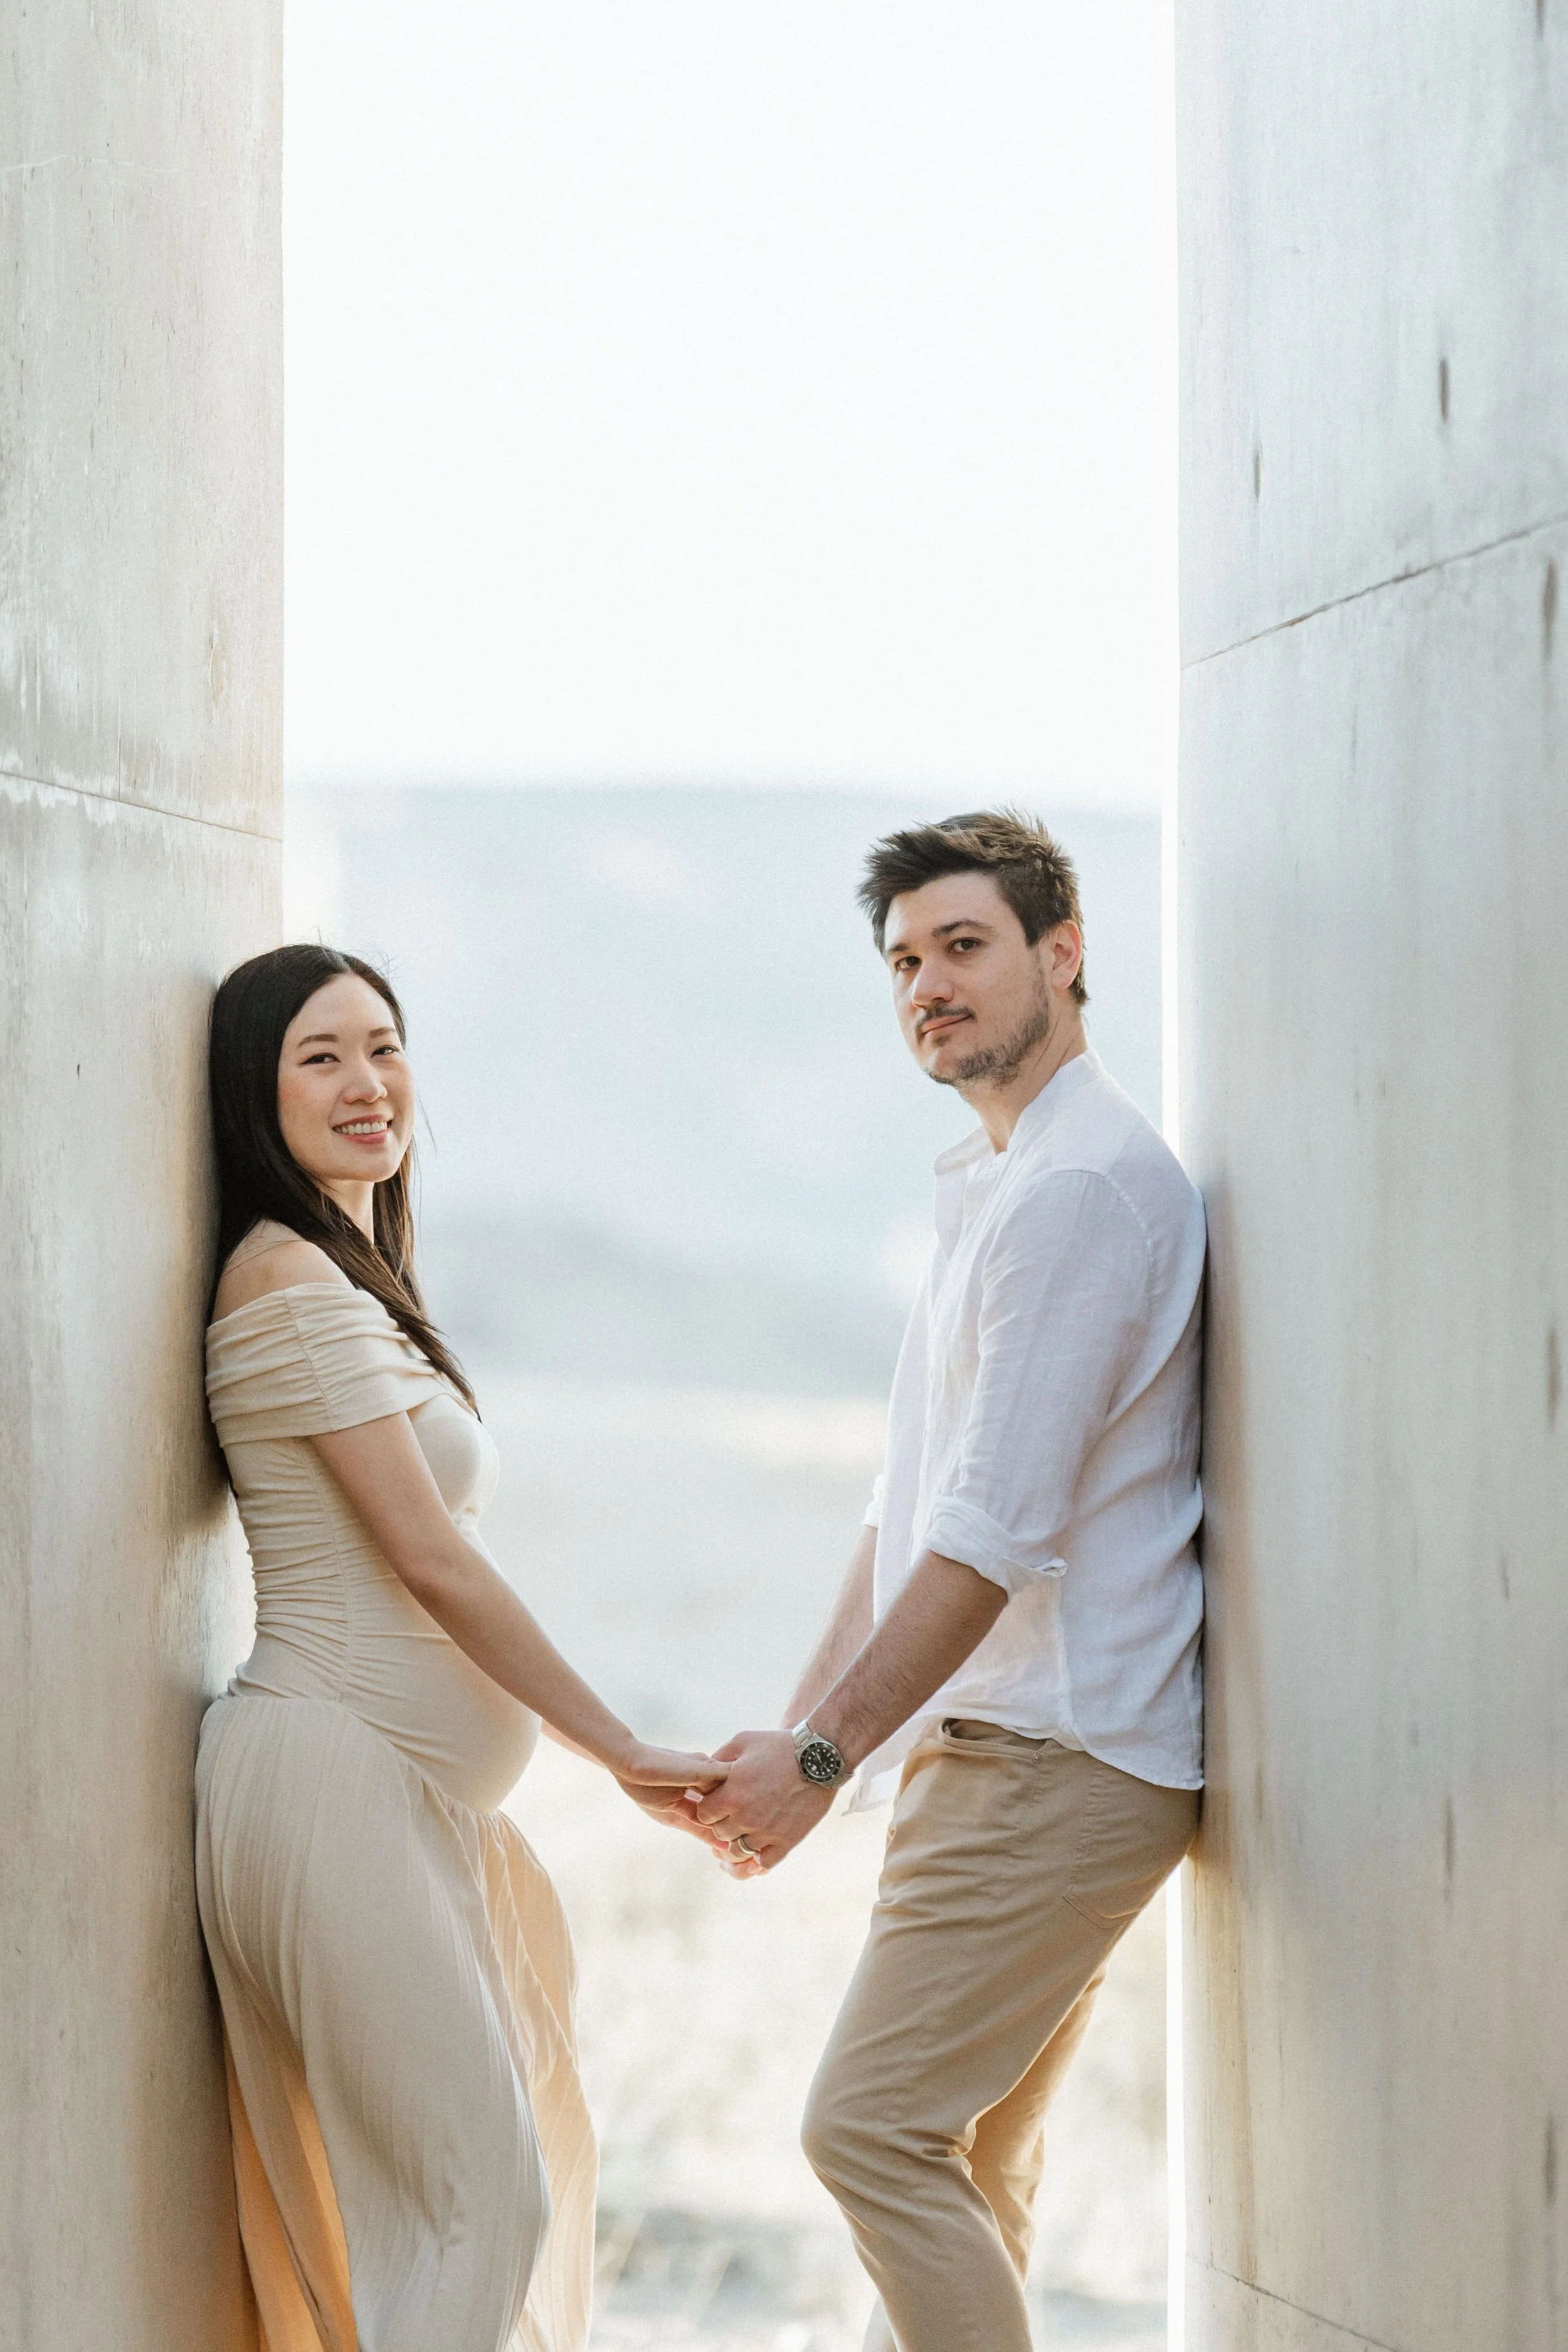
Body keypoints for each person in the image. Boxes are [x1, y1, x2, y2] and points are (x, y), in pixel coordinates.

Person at [687, 810, 1205, 2352]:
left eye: (963, 946)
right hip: (1010, 1751)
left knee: (867, 2135)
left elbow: (987, 1537)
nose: (928, 982)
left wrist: (828, 1755)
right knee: (967, 2163)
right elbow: (901, 1514)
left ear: (1063, 953)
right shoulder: (999, 1186)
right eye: (904, 959)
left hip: (1060, 1752)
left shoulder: (1077, 1196)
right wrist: (795, 1750)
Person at [195, 943, 725, 2352]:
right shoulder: (285, 1285)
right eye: (321, 1056)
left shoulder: (342, 1275)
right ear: (256, 1095)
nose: (368, 1082)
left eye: (384, 1043)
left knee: (459, 2197)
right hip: (333, 1774)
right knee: (480, 2198)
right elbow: (430, 1560)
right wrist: (617, 1748)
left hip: (384, 1792)